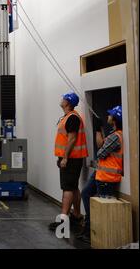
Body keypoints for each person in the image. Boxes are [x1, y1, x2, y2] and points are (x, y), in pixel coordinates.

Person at [77, 106, 124, 243]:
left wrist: (98, 130)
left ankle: (93, 234)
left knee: (102, 207)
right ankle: (88, 229)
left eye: (110, 115)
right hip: (100, 174)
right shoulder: (113, 134)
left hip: (107, 178)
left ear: (115, 119)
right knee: (85, 193)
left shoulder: (116, 136)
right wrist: (100, 129)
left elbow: (100, 152)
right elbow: (102, 145)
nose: (107, 116)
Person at [49, 92, 88, 232]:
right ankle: (76, 215)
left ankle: (63, 220)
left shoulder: (72, 118)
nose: (62, 99)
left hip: (71, 158)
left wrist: (65, 157)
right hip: (71, 158)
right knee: (73, 187)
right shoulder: (68, 117)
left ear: (68, 102)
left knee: (67, 188)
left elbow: (72, 139)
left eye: (64, 98)